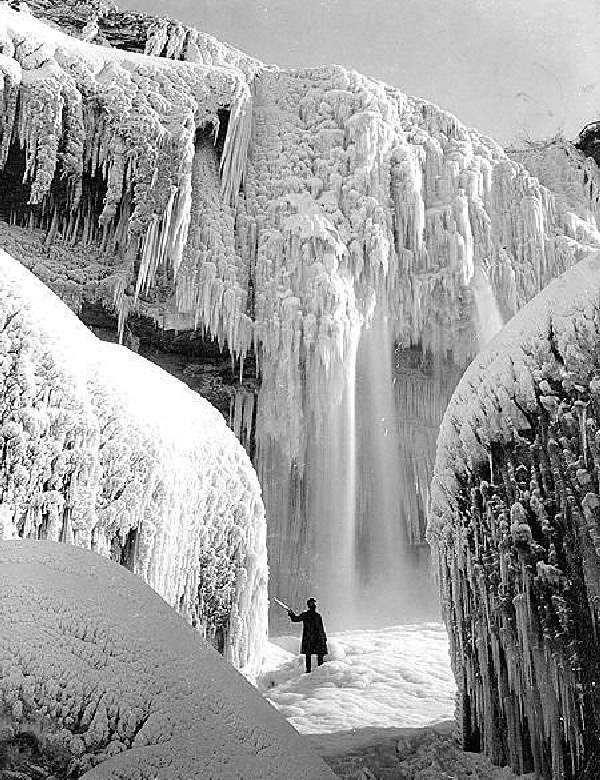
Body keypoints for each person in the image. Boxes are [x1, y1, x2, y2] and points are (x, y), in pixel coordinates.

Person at [288, 597, 328, 673]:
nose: (314, 605)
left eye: (314, 603)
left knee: (313, 655)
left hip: (313, 638)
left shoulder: (314, 615)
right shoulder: (311, 615)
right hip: (313, 638)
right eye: (312, 603)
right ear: (309, 605)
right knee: (314, 655)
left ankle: (315, 671)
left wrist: (291, 614)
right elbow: (295, 619)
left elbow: (321, 628)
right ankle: (313, 671)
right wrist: (291, 613)